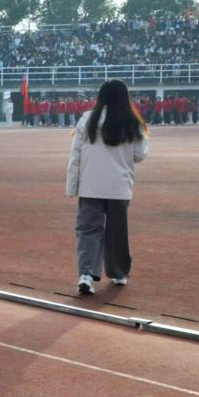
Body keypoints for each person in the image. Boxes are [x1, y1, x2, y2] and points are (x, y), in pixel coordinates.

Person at [66, 79, 150, 295]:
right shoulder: (133, 121)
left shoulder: (87, 119)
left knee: (88, 230)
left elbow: (75, 155)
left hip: (91, 185)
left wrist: (72, 186)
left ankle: (86, 274)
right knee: (117, 231)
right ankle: (118, 272)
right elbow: (141, 155)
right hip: (119, 187)